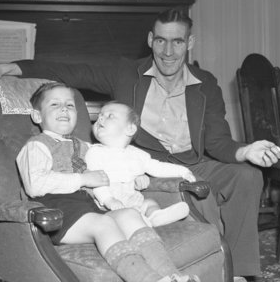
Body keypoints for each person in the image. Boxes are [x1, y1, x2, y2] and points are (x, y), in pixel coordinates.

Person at [0, 8, 280, 280]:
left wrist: (245, 151)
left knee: (247, 175)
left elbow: (217, 140)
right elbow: (67, 69)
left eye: (177, 42)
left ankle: (239, 271)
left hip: (194, 159)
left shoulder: (207, 84)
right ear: (150, 40)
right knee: (201, 193)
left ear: (190, 43)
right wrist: (6, 67)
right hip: (144, 163)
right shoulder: (125, 72)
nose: (168, 51)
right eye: (161, 40)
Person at [16, 81, 199, 282]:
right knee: (104, 223)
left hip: (88, 207)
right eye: (54, 104)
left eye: (69, 105)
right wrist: (82, 179)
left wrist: (135, 175)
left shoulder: (85, 147)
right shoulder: (36, 146)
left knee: (129, 214)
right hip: (56, 211)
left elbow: (111, 164)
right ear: (37, 116)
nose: (64, 109)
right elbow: (35, 185)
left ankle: (172, 275)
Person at [86, 101, 195, 227]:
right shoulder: (95, 152)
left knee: (149, 202)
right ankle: (143, 222)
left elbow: (157, 167)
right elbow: (96, 181)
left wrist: (183, 171)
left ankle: (155, 216)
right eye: (99, 116)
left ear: (130, 129)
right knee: (125, 217)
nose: (100, 118)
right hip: (106, 206)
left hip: (132, 201)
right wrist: (108, 200)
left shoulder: (137, 154)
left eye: (110, 116)